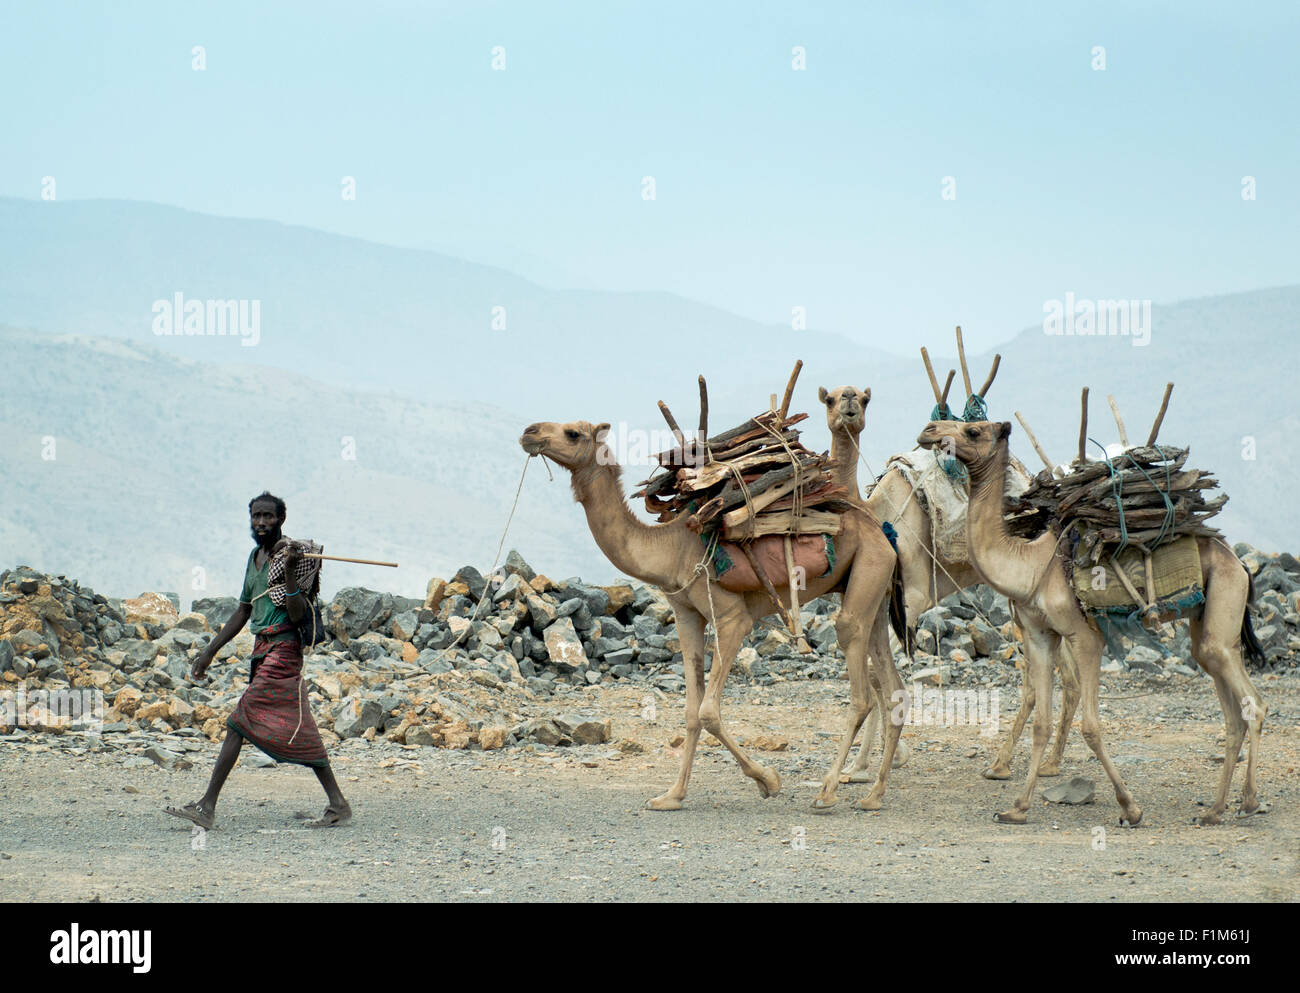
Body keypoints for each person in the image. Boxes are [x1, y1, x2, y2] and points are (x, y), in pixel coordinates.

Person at [163, 492, 351, 829]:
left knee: (239, 720)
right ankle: (338, 803)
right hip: (262, 651)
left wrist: (291, 572)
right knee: (301, 729)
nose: (261, 522)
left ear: (281, 519)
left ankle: (207, 806)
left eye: (268, 516)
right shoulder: (255, 557)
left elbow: (295, 615)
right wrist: (208, 652)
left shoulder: (295, 558)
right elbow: (244, 610)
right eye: (256, 516)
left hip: (284, 651)